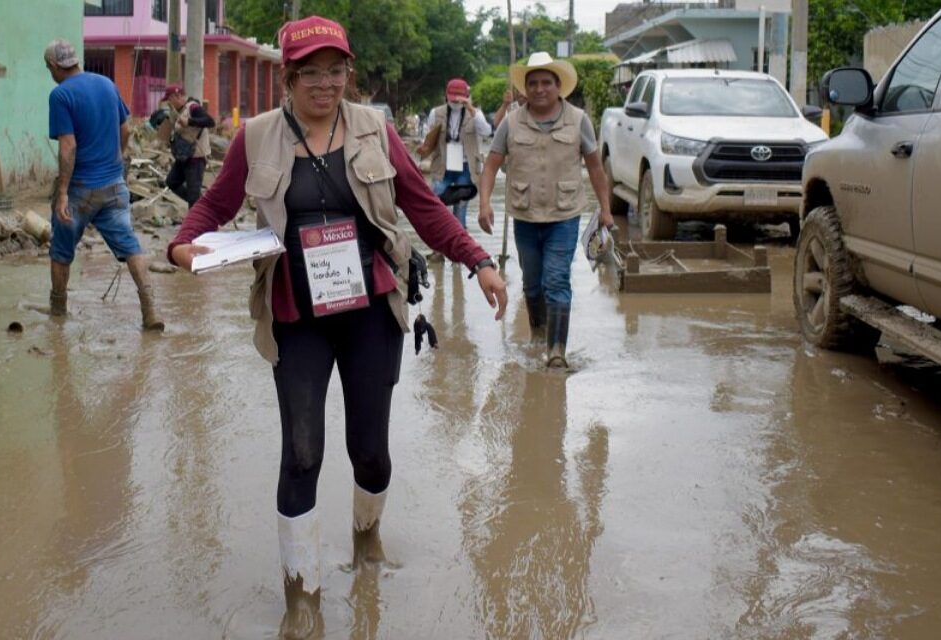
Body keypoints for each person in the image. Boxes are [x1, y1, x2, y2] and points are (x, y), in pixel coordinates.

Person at [167, 15, 507, 639]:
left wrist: (477, 259)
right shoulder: (259, 137)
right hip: (297, 313)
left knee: (369, 453)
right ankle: (302, 595)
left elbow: (421, 206)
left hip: (370, 309)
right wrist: (183, 244)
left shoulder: (374, 129)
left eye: (335, 71)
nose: (324, 84)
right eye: (310, 73)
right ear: (288, 77)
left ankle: (366, 537)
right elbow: (217, 203)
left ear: (348, 73)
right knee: (301, 453)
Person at [478, 52, 612, 369]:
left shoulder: (579, 120)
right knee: (532, 284)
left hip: (564, 217)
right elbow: (490, 166)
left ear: (558, 86)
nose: (540, 89)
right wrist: (484, 203)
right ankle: (539, 332)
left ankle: (556, 351)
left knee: (557, 281)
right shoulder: (510, 123)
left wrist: (605, 209)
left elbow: (595, 168)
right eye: (533, 83)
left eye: (546, 83)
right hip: (524, 218)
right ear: (525, 89)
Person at [44, 39, 165, 332]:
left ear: (55, 66)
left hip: (80, 190)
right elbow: (125, 130)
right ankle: (150, 310)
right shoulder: (107, 84)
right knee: (131, 247)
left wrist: (62, 193)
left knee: (61, 252)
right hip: (114, 186)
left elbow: (68, 146)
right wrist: (118, 160)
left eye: (49, 68)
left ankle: (58, 314)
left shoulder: (60, 95)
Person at [417, 78, 491, 230]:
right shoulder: (435, 113)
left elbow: (487, 131)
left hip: (466, 167)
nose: (456, 101)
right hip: (443, 165)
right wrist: (423, 147)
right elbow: (428, 138)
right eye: (453, 98)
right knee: (435, 201)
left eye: (460, 98)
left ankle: (460, 241)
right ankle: (438, 244)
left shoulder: (476, 114)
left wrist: (470, 108)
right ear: (446, 95)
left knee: (461, 205)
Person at [161, 84, 215, 207]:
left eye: (169, 99)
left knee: (193, 194)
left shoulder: (193, 107)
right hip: (183, 156)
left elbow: (210, 121)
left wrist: (189, 122)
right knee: (172, 182)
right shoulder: (177, 112)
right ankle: (200, 205)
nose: (169, 102)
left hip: (196, 157)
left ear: (177, 96)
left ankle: (196, 216)